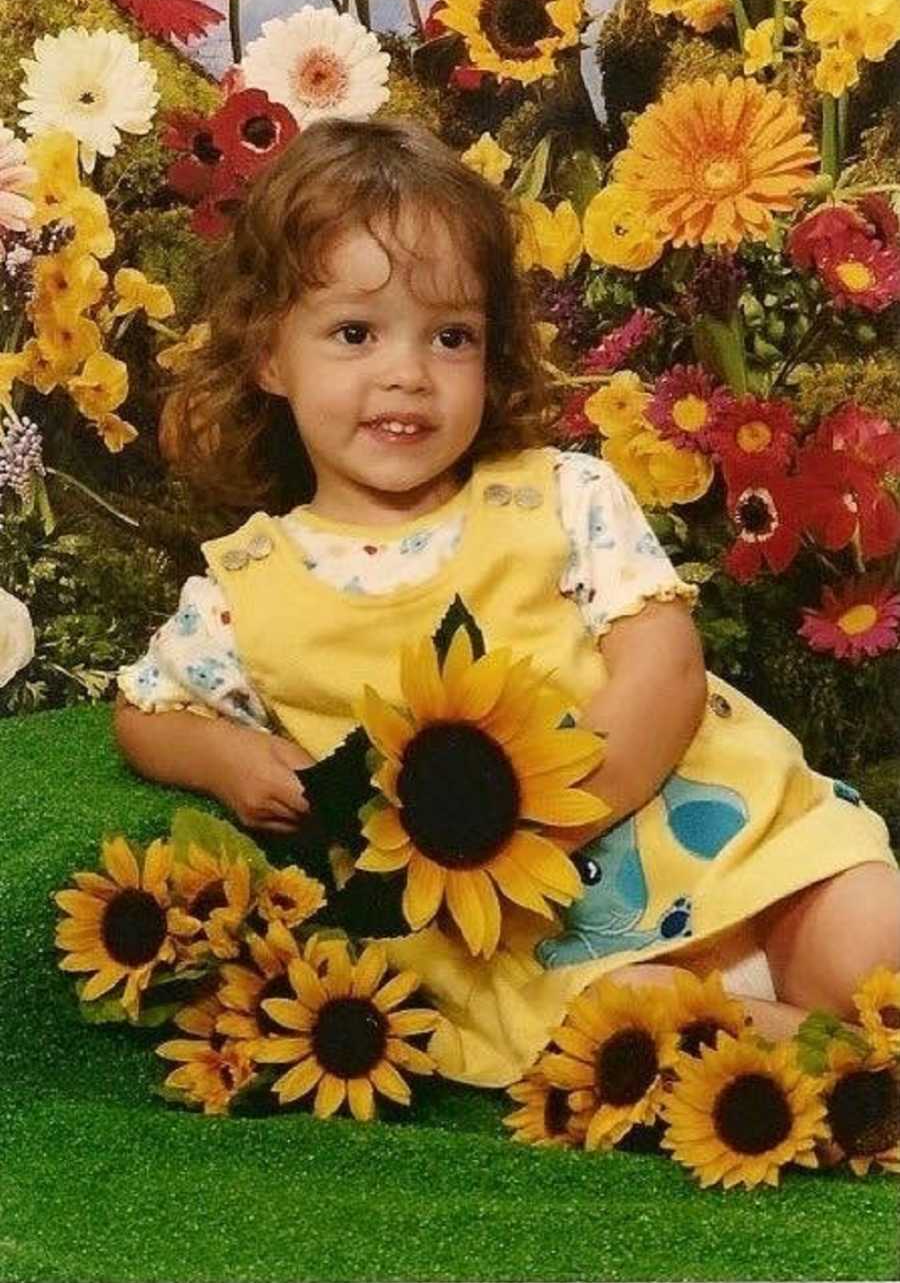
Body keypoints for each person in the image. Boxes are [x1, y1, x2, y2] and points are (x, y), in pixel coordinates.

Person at [115, 116, 900, 1089]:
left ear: (492, 354)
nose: (406, 371)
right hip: (541, 952)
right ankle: (830, 1071)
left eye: (451, 336)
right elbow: (144, 708)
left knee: (871, 944)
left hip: (735, 844)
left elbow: (666, 665)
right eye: (354, 333)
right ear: (270, 356)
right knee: (643, 1021)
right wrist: (226, 758)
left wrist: (535, 824)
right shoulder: (247, 588)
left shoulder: (559, 494)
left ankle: (830, 1032)